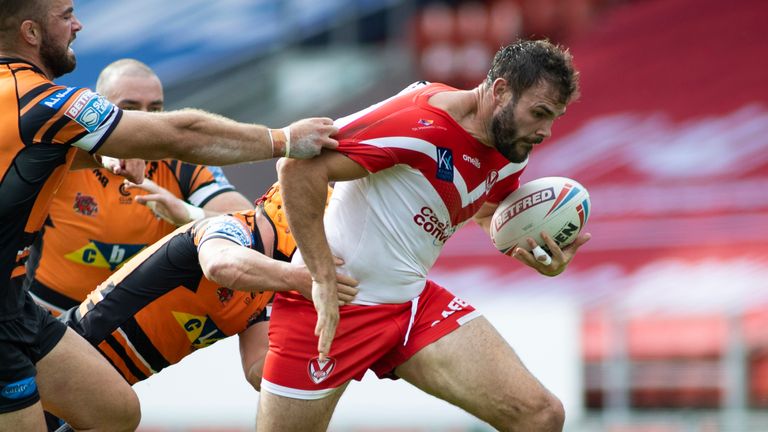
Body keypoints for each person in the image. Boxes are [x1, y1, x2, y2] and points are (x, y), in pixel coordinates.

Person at [0, 0, 336, 430]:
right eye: (66, 16)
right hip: (38, 312)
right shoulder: (46, 104)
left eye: (155, 108)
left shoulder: (62, 133)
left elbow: (243, 221)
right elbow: (184, 133)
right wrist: (284, 139)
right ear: (30, 33)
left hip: (22, 311)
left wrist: (181, 209)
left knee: (115, 413)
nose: (78, 25)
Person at [262, 39, 591, 431]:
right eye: (539, 113)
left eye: (553, 118)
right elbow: (298, 170)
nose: (546, 131)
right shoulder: (420, 122)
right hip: (333, 307)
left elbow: (488, 212)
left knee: (541, 417)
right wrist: (320, 275)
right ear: (501, 91)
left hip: (411, 305)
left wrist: (532, 251)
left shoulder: (508, 147)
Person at [60, 183, 356, 390]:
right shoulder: (228, 228)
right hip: (73, 349)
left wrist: (333, 353)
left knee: (117, 413)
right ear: (293, 222)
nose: (323, 256)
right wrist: (302, 280)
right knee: (120, 415)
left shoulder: (271, 287)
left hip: (109, 378)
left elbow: (257, 371)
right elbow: (220, 265)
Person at [24, 58, 254, 316]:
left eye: (155, 109)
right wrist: (105, 152)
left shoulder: (181, 161)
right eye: (130, 108)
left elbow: (249, 226)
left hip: (134, 321)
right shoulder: (64, 152)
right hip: (48, 312)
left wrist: (188, 214)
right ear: (100, 106)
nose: (145, 120)